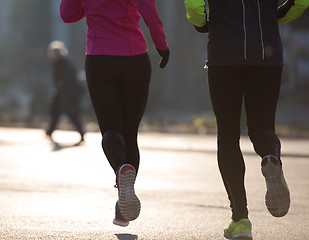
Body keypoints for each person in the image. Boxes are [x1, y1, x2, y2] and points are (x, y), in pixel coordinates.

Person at [185, 0, 308, 239]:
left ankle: (240, 220)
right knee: (262, 127)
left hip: (225, 54)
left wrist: (202, 22)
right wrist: (275, 17)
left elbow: (193, 6)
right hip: (266, 51)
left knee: (228, 135)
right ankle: (271, 158)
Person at [60, 0, 170, 227]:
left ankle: (120, 168)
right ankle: (122, 208)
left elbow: (67, 14)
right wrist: (162, 46)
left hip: (99, 59)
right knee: (130, 135)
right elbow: (149, 11)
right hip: (135, 59)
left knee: (111, 129)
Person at [46, 40, 85, 144]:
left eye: (57, 52)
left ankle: (82, 133)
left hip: (69, 93)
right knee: (55, 112)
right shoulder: (56, 63)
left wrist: (63, 82)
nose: (55, 55)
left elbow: (73, 75)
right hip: (61, 93)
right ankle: (49, 131)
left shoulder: (65, 63)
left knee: (72, 113)